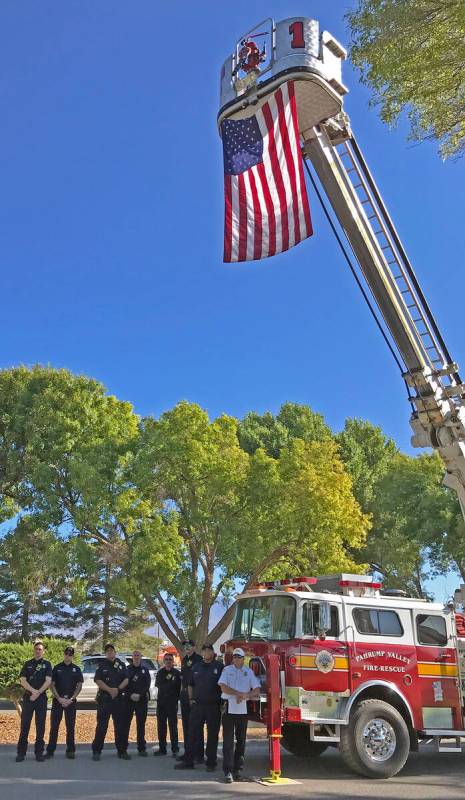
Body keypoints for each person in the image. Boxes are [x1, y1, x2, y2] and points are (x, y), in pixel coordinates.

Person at [174, 643, 223, 772]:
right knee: (192, 734)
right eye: (204, 650)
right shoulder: (196, 667)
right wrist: (191, 699)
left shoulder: (219, 667)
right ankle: (189, 761)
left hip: (213, 706)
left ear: (212, 652)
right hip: (198, 706)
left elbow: (224, 686)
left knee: (212, 735)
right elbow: (190, 684)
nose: (207, 653)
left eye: (209, 650)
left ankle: (211, 762)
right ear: (202, 653)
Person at [218, 647, 260, 783]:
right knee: (228, 742)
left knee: (241, 742)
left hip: (242, 710)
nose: (236, 659)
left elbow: (257, 689)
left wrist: (246, 695)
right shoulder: (227, 670)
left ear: (243, 659)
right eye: (234, 657)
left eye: (239, 657)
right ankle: (228, 771)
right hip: (229, 708)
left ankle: (238, 770)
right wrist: (238, 694)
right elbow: (223, 687)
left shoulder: (249, 672)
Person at [91, 643, 130, 761]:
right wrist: (110, 690)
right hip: (105, 700)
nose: (110, 652)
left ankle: (122, 751)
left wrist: (117, 690)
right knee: (102, 726)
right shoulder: (102, 665)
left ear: (115, 652)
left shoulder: (121, 664)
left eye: (112, 650)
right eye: (107, 651)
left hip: (118, 700)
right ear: (105, 653)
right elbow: (97, 680)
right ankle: (97, 751)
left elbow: (126, 679)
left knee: (120, 727)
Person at [16, 640, 53, 762]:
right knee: (25, 725)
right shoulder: (28, 664)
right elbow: (23, 680)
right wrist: (33, 691)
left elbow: (48, 681)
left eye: (40, 649)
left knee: (40, 726)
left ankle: (39, 753)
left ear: (43, 651)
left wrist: (38, 693)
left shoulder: (47, 665)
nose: (38, 651)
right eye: (36, 649)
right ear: (34, 650)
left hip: (41, 699)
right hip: (29, 698)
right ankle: (21, 753)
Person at [45, 646, 83, 760]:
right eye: (66, 654)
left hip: (71, 702)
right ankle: (50, 751)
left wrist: (71, 699)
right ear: (64, 654)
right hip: (58, 701)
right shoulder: (57, 668)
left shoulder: (76, 669)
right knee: (54, 727)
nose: (68, 656)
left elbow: (79, 685)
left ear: (72, 656)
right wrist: (58, 698)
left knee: (70, 727)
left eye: (70, 654)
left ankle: (70, 750)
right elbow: (51, 684)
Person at [179, 639, 203, 762]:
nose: (187, 648)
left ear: (194, 647)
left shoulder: (199, 659)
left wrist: (193, 696)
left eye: (189, 645)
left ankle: (199, 755)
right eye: (185, 646)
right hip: (184, 695)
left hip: (194, 696)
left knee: (196, 726)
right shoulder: (184, 660)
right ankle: (188, 752)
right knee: (186, 725)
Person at [154, 653, 181, 756]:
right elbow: (160, 685)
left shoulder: (177, 673)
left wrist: (174, 695)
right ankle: (162, 749)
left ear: (173, 661)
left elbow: (179, 688)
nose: (168, 661)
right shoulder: (160, 672)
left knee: (173, 727)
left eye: (170, 659)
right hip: (161, 703)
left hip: (172, 703)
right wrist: (170, 685)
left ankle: (175, 749)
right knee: (161, 727)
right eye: (166, 659)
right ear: (164, 661)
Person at [125, 649, 151, 756]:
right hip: (129, 700)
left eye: (138, 655)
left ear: (141, 657)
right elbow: (124, 684)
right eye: (134, 655)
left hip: (141, 701)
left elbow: (147, 684)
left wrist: (139, 695)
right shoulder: (127, 670)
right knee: (126, 725)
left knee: (141, 725)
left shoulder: (145, 670)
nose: (136, 657)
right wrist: (131, 694)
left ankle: (141, 748)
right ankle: (123, 749)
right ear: (132, 657)